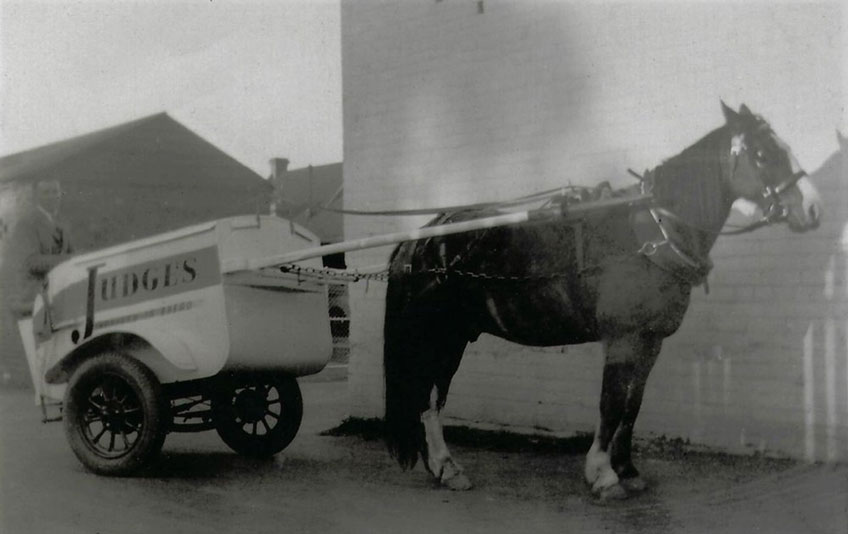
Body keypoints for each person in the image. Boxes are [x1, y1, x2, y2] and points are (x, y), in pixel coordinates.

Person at [5, 179, 74, 316]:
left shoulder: (62, 222)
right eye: (46, 192)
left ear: (61, 194)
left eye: (55, 191)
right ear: (37, 196)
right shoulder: (27, 224)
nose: (52, 196)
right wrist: (68, 259)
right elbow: (31, 262)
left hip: (61, 291)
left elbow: (71, 252)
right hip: (36, 296)